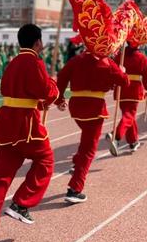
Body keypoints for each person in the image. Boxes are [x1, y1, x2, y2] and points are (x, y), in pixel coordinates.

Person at [0, 24, 59, 242]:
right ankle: (21, 203)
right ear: (37, 42)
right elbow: (43, 90)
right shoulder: (34, 62)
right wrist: (54, 89)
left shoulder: (13, 62)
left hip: (7, 124)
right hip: (26, 125)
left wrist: (46, 97)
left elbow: (19, 92)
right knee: (46, 161)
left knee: (1, 177)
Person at [55, 50, 129, 202]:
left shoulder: (76, 59)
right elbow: (125, 82)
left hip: (76, 107)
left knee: (86, 141)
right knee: (89, 149)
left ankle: (77, 164)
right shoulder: (107, 62)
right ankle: (74, 189)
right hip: (94, 108)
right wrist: (122, 72)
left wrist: (59, 99)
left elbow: (61, 77)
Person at [106, 43, 147, 155]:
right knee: (129, 115)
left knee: (127, 115)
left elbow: (113, 70)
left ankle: (133, 141)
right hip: (134, 89)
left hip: (121, 89)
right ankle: (116, 136)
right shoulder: (142, 57)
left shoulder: (120, 56)